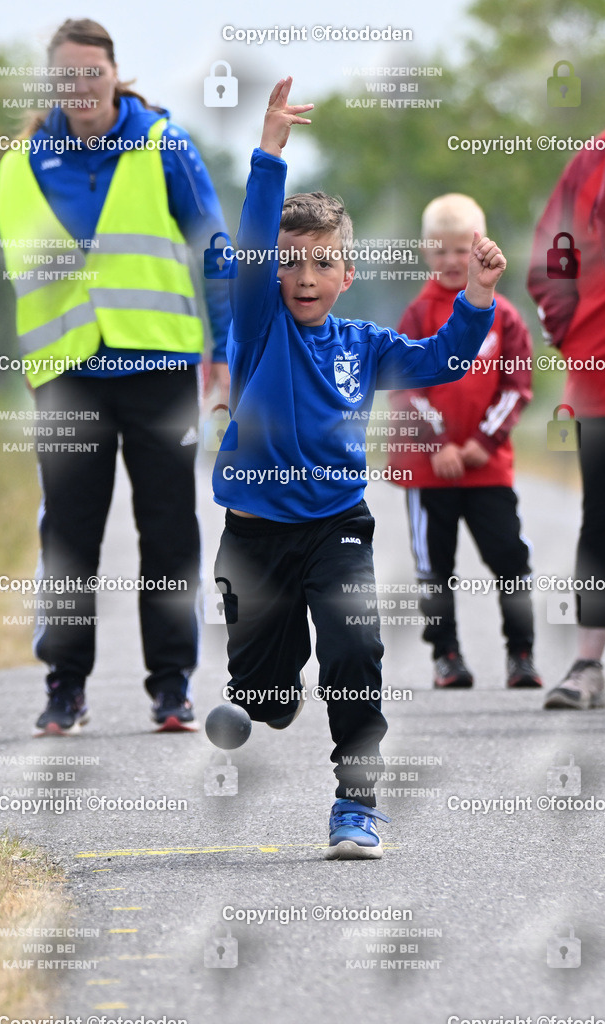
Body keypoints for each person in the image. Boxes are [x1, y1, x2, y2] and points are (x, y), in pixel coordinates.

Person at [210, 78, 506, 858]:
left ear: (347, 274)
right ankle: (268, 692)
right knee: (267, 696)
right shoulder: (258, 327)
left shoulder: (365, 346)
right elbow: (250, 236)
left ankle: (356, 802)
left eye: (324, 264)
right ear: (273, 272)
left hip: (338, 525)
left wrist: (475, 297)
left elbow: (443, 357)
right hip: (253, 534)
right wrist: (268, 151)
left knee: (354, 652)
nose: (305, 277)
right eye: (292, 263)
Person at [0, 18, 232, 735]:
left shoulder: (165, 146)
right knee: (68, 535)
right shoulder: (23, 163)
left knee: (167, 532)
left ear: (113, 73)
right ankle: (65, 686)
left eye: (91, 71)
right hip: (68, 375)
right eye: (65, 74)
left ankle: (171, 687)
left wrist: (224, 350)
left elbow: (214, 247)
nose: (80, 86)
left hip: (159, 366)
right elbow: (26, 279)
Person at [527, 19, 605, 710]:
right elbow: (552, 260)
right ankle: (587, 666)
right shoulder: (595, 160)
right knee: (604, 518)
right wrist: (575, 339)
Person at [387, 194, 540, 690]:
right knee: (435, 565)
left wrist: (481, 442)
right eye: (441, 251)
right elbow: (405, 387)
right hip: (429, 470)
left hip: (486, 466)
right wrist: (439, 444)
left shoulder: (505, 316)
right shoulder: (417, 314)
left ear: (481, 248)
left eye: (462, 250)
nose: (453, 261)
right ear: (426, 254)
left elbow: (517, 385)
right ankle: (446, 656)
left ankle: (521, 655)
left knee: (510, 559)